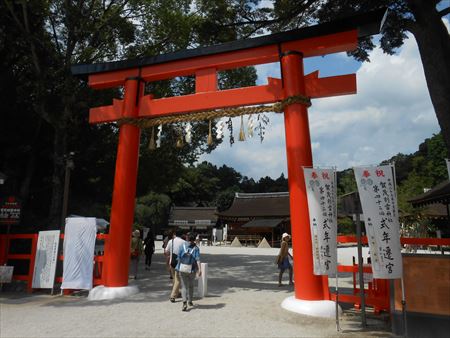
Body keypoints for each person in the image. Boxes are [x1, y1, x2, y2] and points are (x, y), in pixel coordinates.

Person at [176, 233, 201, 311]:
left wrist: (178, 267)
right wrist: (199, 269)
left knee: (183, 286)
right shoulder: (196, 248)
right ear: (194, 240)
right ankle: (190, 300)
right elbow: (197, 259)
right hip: (192, 269)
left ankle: (184, 302)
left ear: (187, 238)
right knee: (191, 285)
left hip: (182, 268)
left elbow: (178, 258)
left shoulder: (182, 246)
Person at [164, 230, 185, 302]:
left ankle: (177, 293)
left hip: (172, 262)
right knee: (178, 279)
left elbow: (166, 251)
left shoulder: (171, 241)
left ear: (175, 234)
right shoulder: (184, 242)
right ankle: (173, 295)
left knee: (174, 278)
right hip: (180, 262)